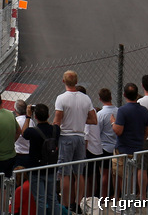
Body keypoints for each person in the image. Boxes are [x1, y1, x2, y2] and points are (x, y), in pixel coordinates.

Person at [52, 70, 96, 206]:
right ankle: (77, 202)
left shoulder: (61, 98)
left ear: (63, 81)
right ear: (76, 82)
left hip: (66, 136)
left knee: (65, 173)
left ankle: (65, 204)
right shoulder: (85, 98)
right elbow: (93, 120)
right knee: (79, 173)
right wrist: (81, 120)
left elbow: (57, 121)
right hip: (80, 137)